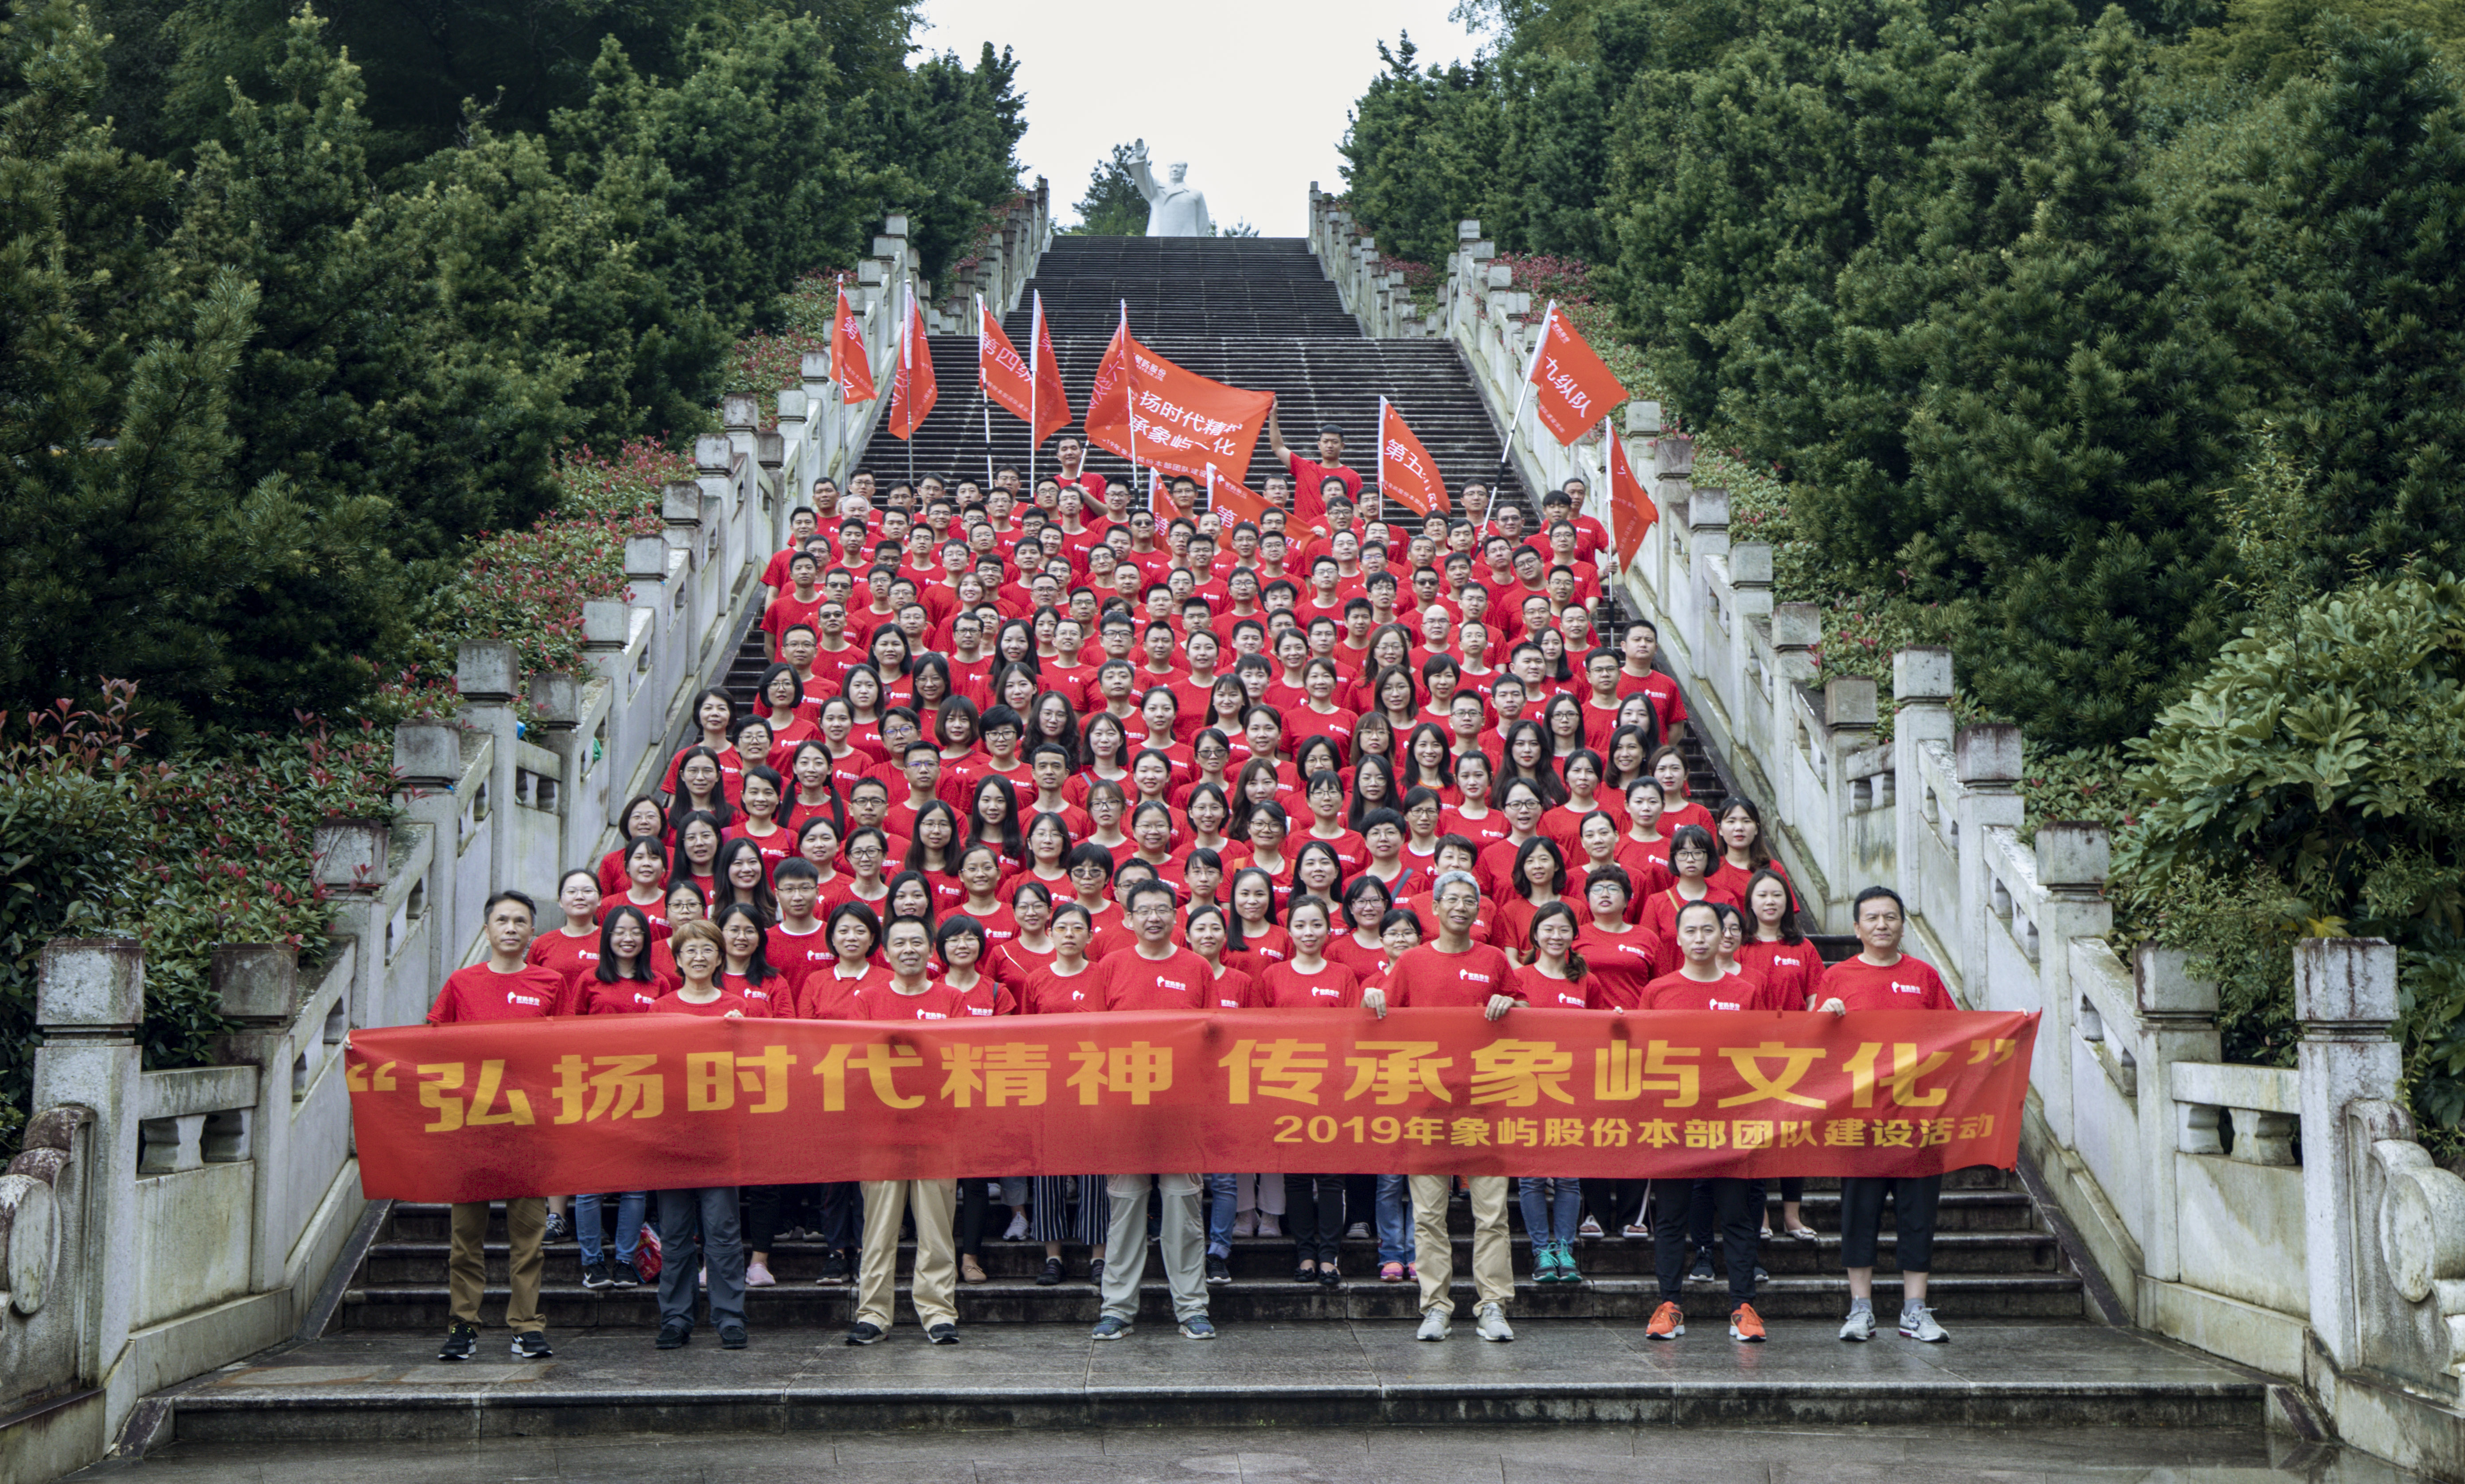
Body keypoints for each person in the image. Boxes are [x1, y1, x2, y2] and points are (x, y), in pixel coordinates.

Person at [1364, 870, 1522, 1343]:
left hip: (1485, 1102)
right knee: (1429, 1214)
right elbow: (1383, 1020)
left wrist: (1510, 1004)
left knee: (1491, 1213)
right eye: (1451, 899)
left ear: (1479, 909)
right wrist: (1372, 998)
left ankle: (1492, 1305)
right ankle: (1435, 1306)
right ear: (1434, 908)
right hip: (1426, 1105)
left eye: (1469, 900)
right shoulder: (1412, 961)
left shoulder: (1494, 959)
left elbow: (1527, 1015)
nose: (1460, 906)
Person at [427, 891, 565, 1362]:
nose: (511, 927)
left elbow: (570, 1046)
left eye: (520, 921)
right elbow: (430, 1044)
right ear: (486, 929)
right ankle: (463, 1324)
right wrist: (365, 1046)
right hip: (473, 1127)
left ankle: (527, 1326)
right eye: (502, 920)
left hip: (529, 1127)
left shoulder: (551, 982)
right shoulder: (461, 983)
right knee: (465, 1238)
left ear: (532, 932)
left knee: (528, 1239)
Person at [1820, 885, 1958, 1344]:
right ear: (1857, 928)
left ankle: (1915, 1311)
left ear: (1903, 924)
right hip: (1860, 1120)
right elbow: (1811, 1047)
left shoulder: (1924, 976)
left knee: (1919, 1215)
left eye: (1891, 916)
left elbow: (1956, 1035)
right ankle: (1861, 1309)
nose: (1882, 924)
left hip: (1918, 1120)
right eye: (1873, 918)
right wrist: (1823, 1016)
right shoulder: (1837, 977)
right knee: (1859, 1215)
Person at [1088, 879, 1219, 1340]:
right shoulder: (1110, 966)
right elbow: (1093, 1036)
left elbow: (1214, 1036)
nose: (1153, 918)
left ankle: (1192, 1307)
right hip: (1126, 1107)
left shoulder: (1196, 966)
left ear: (1176, 917)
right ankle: (1117, 1308)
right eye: (1143, 910)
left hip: (1182, 1109)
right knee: (1126, 1206)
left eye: (1162, 909)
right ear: (1127, 918)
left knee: (1183, 1206)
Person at [1639, 899, 1768, 1345]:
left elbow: (1764, 1052)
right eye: (1691, 930)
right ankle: (1669, 1305)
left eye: (1708, 930)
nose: (1700, 938)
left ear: (1724, 935)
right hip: (1673, 1124)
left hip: (1731, 1122)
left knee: (1736, 1215)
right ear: (1677, 938)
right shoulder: (1658, 990)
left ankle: (1744, 1307)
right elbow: (1640, 1054)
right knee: (1671, 1216)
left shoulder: (1745, 992)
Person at [842, 916, 965, 1346]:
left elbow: (963, 1058)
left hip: (937, 1130)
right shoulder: (867, 1000)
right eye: (900, 943)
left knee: (936, 1229)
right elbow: (853, 1061)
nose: (909, 949)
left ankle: (939, 1312)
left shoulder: (951, 998)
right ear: (886, 952)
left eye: (917, 942)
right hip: (880, 1132)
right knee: (878, 1230)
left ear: (931, 950)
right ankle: (874, 1313)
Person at [646, 918, 752, 1352]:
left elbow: (755, 1070)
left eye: (708, 949)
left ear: (721, 958)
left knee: (722, 1230)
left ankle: (730, 1316)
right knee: (675, 1231)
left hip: (721, 1134)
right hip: (672, 1134)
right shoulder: (660, 1009)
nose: (699, 957)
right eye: (689, 950)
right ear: (676, 960)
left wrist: (742, 1035)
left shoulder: (737, 1007)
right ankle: (676, 1317)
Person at [1513, 901, 1589, 1285]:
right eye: (1548, 929)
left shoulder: (1585, 981)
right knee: (1531, 1177)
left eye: (1563, 929)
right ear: (1535, 935)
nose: (1556, 936)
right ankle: (1541, 1250)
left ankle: (1565, 1249)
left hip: (1571, 1090)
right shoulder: (1519, 977)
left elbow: (1601, 1028)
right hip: (1526, 1088)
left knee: (1568, 1178)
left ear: (1574, 935)